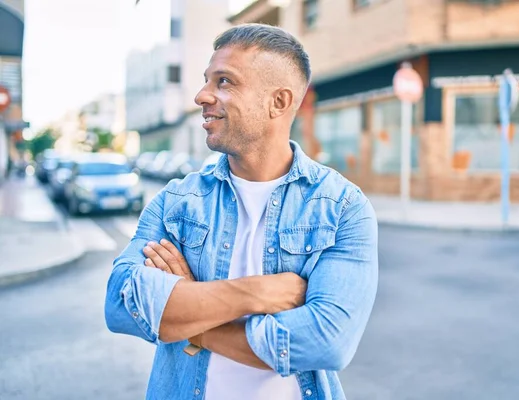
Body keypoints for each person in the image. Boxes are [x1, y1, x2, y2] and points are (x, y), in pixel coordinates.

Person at [104, 23, 378, 400]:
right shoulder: (177, 201)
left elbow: (326, 342)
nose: (202, 96)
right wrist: (256, 294)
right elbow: (120, 304)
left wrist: (192, 324)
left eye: (225, 82)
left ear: (278, 102)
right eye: (206, 80)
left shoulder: (342, 208)